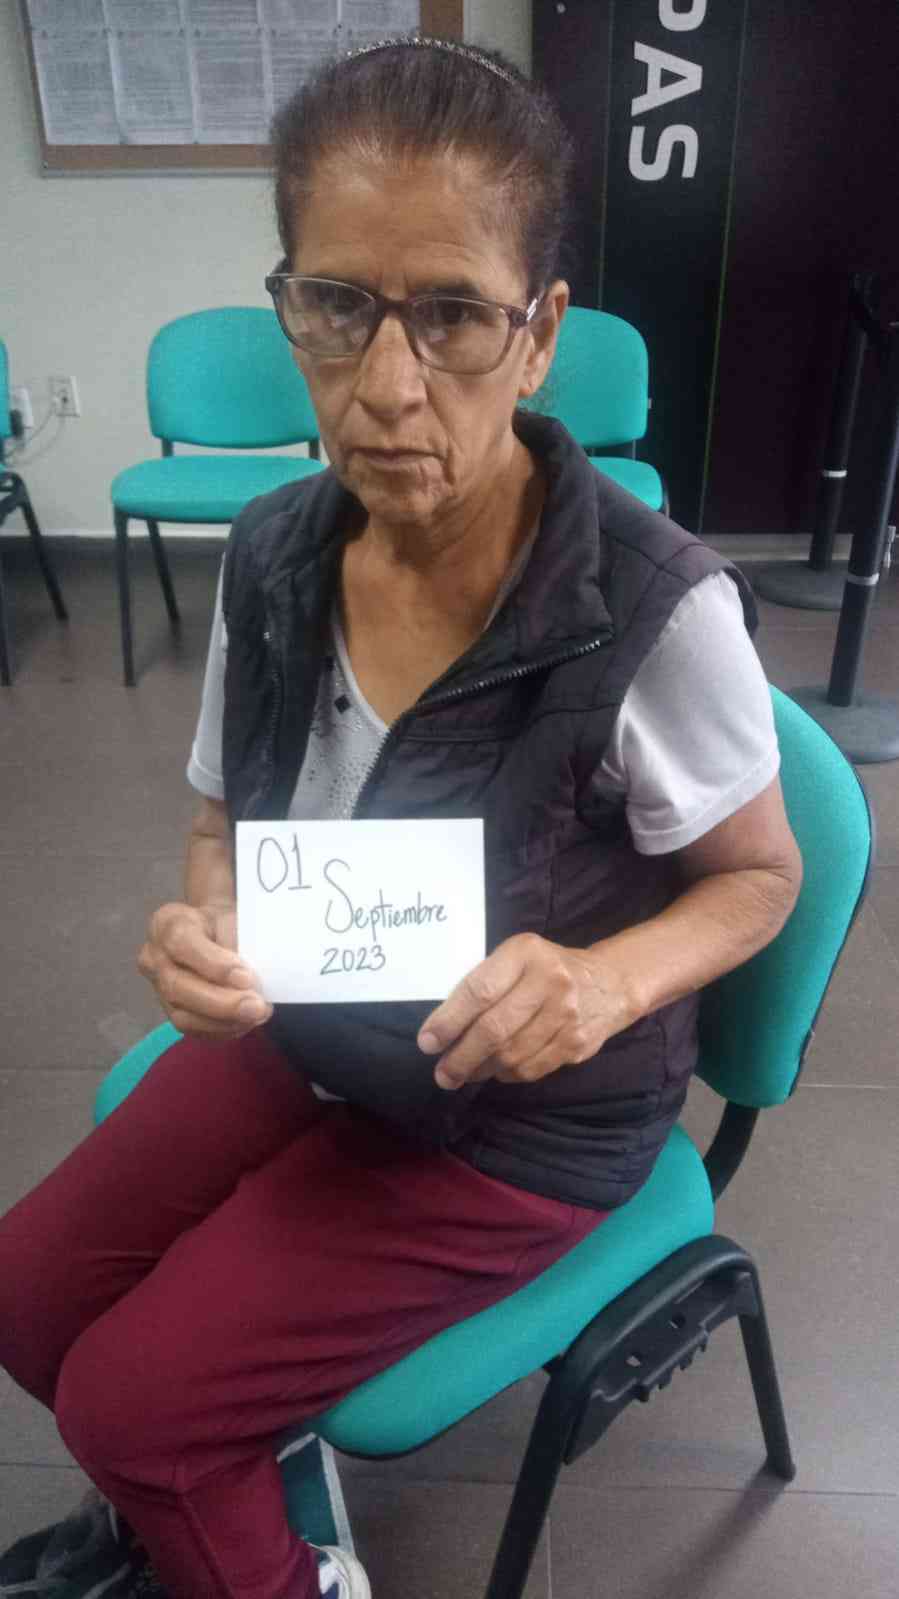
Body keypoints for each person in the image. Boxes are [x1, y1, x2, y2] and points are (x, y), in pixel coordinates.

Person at [0, 34, 802, 1599]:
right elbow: (224, 823)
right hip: (318, 1030)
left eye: (451, 316)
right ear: (288, 305)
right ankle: (194, 1500)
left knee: (134, 1407)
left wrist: (605, 982)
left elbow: (761, 876)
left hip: (520, 1117)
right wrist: (210, 929)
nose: (384, 387)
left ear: (538, 333)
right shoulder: (275, 553)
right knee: (29, 1302)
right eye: (338, 307)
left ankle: (252, 1541)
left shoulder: (655, 608)